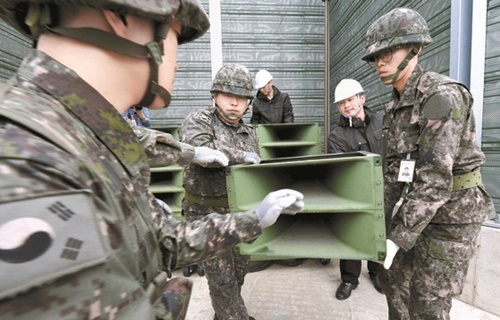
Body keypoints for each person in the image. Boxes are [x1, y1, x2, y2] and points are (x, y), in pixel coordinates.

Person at [0, 1, 305, 319]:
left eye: (243, 98)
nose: (176, 63)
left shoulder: (93, 137)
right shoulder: (29, 155)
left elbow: (164, 240)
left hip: (226, 217)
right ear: (119, 18)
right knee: (225, 289)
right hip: (204, 206)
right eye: (175, 33)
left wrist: (253, 218)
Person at [362, 7, 495, 320]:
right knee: (394, 284)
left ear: (415, 49)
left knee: (427, 304)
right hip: (413, 210)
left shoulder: (441, 96)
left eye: (389, 52)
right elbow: (395, 173)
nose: (380, 63)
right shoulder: (395, 105)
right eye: (375, 57)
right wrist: (380, 227)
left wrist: (397, 236)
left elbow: (435, 180)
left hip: (451, 216)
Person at [179, 63, 262, 320]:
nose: (235, 103)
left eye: (241, 98)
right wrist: (241, 156)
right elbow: (203, 151)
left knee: (237, 274)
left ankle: (224, 315)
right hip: (205, 214)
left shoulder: (250, 132)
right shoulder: (199, 120)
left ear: (248, 102)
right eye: (228, 96)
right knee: (222, 281)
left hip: (237, 213)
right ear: (215, 96)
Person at [327, 78, 386, 300]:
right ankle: (349, 279)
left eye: (350, 99)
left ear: (362, 98)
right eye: (341, 103)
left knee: (380, 233)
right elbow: (341, 170)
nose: (346, 105)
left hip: (384, 190)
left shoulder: (382, 120)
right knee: (351, 234)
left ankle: (377, 272)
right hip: (355, 195)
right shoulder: (337, 136)